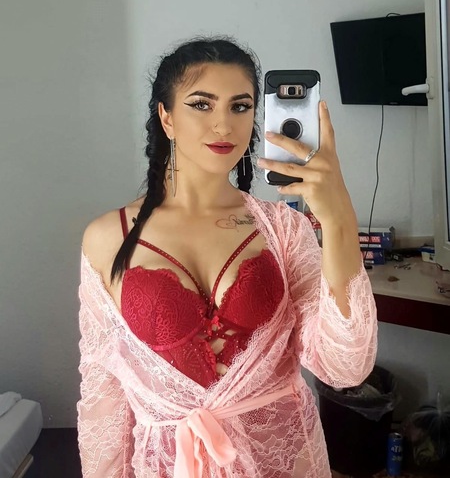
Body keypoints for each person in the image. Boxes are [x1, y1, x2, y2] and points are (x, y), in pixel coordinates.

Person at [77, 36, 377, 478]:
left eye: (240, 106)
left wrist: (339, 221)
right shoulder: (108, 238)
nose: (224, 125)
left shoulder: (284, 229)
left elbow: (345, 367)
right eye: (201, 104)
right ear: (166, 117)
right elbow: (103, 396)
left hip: (280, 462)